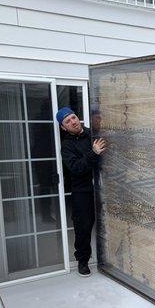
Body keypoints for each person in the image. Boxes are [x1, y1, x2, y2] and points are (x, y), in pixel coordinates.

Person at [56, 107, 107, 277]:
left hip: (103, 187)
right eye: (67, 121)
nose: (73, 122)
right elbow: (77, 168)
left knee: (107, 222)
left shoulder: (92, 134)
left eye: (73, 117)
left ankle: (108, 258)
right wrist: (93, 153)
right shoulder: (67, 146)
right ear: (64, 128)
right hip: (82, 191)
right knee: (83, 227)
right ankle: (83, 261)